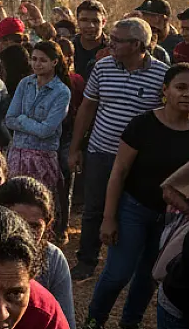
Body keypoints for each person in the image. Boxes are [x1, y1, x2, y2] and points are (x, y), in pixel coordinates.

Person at [81, 63, 189, 329]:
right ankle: (94, 320)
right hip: (134, 208)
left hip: (174, 216)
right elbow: (119, 172)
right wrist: (109, 217)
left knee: (150, 275)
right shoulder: (142, 124)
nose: (188, 94)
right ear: (165, 90)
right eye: (181, 87)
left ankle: (129, 323)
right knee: (118, 272)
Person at [69, 17, 169, 281]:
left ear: (137, 45)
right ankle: (87, 260)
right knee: (93, 209)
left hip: (140, 159)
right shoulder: (102, 68)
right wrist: (76, 148)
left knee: (132, 210)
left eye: (117, 40)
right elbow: (87, 109)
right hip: (101, 151)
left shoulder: (161, 75)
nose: (109, 43)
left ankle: (125, 264)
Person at [0, 177, 77, 329]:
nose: (24, 234)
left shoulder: (52, 260)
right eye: (15, 222)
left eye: (34, 226)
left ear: (48, 225)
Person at [5, 40, 72, 198]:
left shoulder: (61, 92)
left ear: (54, 62)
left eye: (43, 60)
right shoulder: (25, 83)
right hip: (17, 154)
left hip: (42, 158)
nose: (37, 64)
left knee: (39, 203)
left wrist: (21, 119)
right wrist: (29, 123)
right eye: (34, 59)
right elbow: (9, 119)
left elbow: (46, 130)